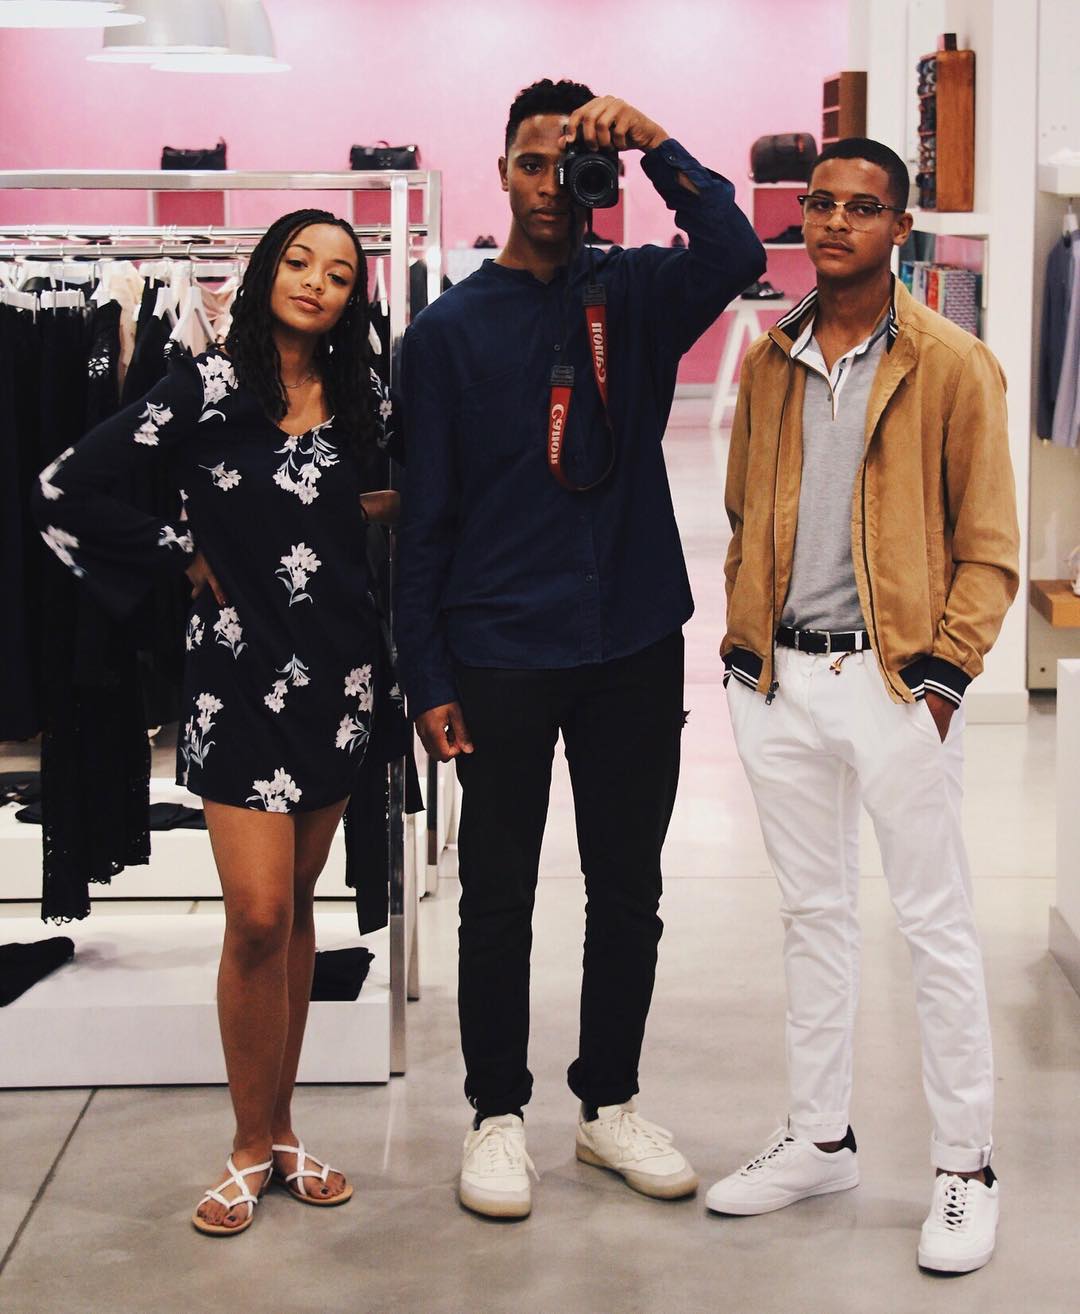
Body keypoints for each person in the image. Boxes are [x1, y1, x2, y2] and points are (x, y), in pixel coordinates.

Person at [395, 78, 764, 1219]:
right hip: (499, 648)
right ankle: (497, 1114)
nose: (554, 183)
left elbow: (739, 243)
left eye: (573, 162)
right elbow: (423, 519)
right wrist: (428, 675)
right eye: (533, 162)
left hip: (633, 640)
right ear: (501, 172)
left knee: (629, 889)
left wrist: (653, 143)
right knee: (497, 893)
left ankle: (608, 1107)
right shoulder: (448, 332)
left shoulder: (641, 292)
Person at [34, 209, 405, 1237]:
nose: (318, 283)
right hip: (235, 683)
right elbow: (62, 490)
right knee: (253, 914)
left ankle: (282, 1133)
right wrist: (178, 550)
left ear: (353, 296)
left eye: (339, 272)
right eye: (299, 261)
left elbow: (398, 497)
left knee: (293, 909)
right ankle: (247, 1143)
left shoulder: (367, 396)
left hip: (341, 679)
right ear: (264, 272)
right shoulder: (203, 387)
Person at [709, 138, 1019, 1274]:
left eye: (863, 206)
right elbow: (746, 513)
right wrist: (749, 659)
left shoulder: (949, 363)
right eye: (821, 203)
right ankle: (820, 1137)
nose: (834, 221)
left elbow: (988, 547)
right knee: (814, 919)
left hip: (895, 687)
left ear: (901, 226)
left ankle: (966, 1164)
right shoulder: (772, 360)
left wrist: (942, 679)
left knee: (933, 924)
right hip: (782, 683)